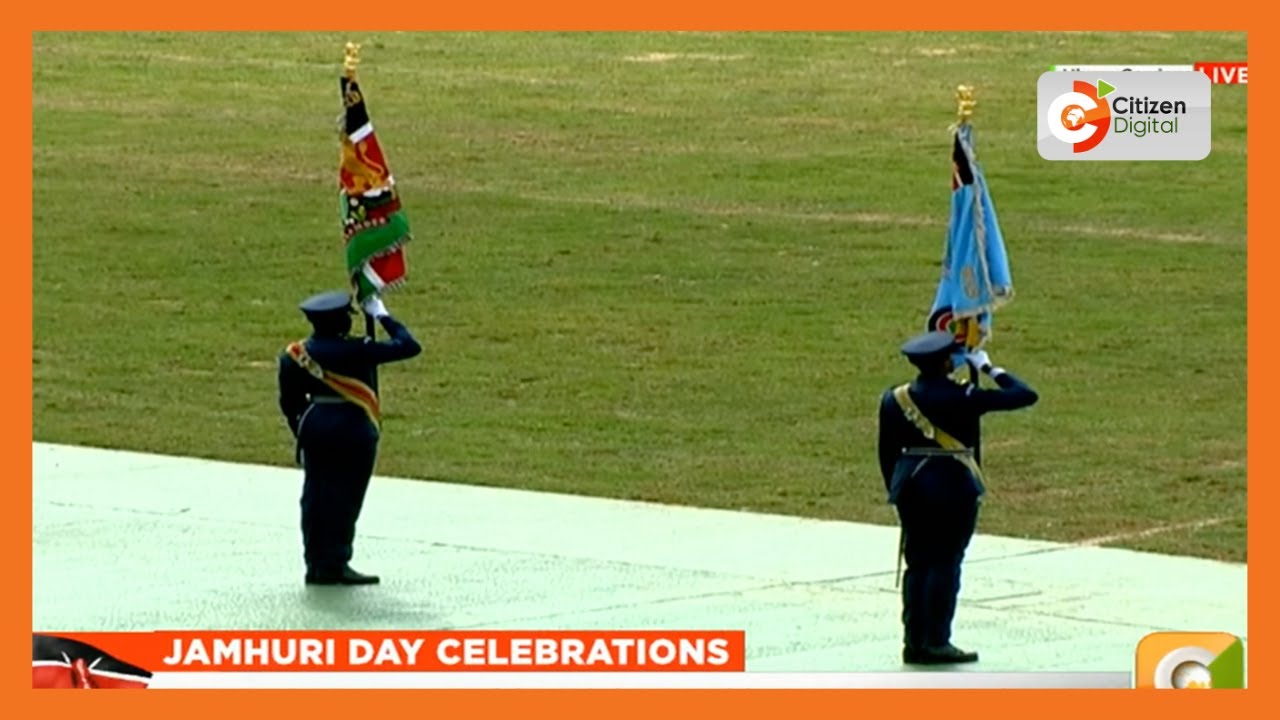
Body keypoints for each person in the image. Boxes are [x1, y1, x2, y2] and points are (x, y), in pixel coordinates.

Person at [877, 329, 1038, 665]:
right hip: (953, 488)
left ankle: (914, 640)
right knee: (946, 564)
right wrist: (991, 369)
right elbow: (1025, 394)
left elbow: (886, 452)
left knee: (917, 565)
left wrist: (898, 490)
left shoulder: (894, 398)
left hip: (911, 487)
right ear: (947, 361)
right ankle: (936, 641)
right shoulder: (963, 395)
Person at [277, 290, 422, 585]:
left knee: (315, 498)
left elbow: (289, 402)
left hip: (316, 426)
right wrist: (382, 315)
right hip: (354, 429)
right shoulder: (358, 349)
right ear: (342, 321)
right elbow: (409, 346)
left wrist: (303, 429)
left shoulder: (295, 354)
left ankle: (315, 564)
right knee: (345, 498)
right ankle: (337, 561)